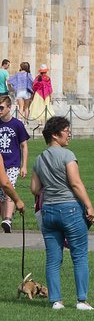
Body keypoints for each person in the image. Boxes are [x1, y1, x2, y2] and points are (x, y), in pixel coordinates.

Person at [34, 115, 94, 311]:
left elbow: (35, 188)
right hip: (70, 208)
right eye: (66, 131)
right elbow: (75, 183)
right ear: (55, 134)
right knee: (79, 255)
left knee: (53, 258)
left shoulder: (39, 158)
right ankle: (82, 300)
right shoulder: (68, 155)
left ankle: (56, 300)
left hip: (49, 211)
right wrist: (88, 206)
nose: (69, 135)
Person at [0, 92, 30, 234]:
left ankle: (8, 219)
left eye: (1, 108)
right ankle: (4, 219)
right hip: (1, 164)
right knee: (1, 194)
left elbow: (24, 145)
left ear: (9, 108)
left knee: (9, 189)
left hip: (12, 163)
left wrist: (24, 165)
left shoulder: (17, 125)